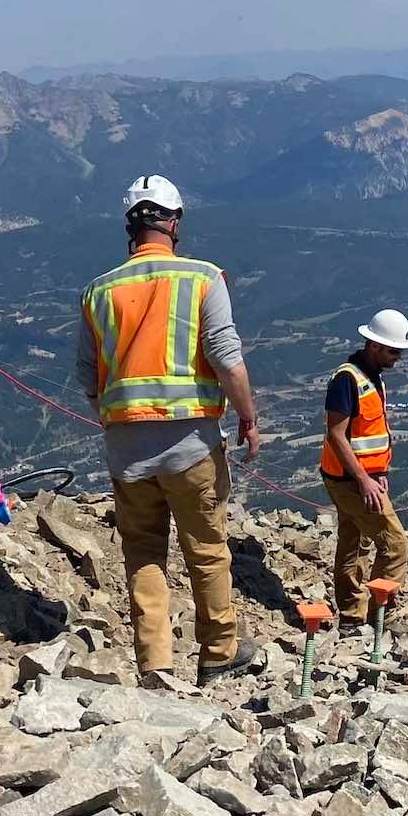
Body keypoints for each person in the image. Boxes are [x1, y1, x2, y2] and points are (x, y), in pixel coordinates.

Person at [77, 174, 262, 687]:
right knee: (206, 547)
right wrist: (247, 415)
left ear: (130, 228)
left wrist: (113, 416)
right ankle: (219, 651)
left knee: (143, 552)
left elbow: (86, 375)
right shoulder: (203, 279)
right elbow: (226, 358)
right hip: (191, 444)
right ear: (174, 223)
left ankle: (155, 662)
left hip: (125, 446)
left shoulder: (99, 292)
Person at [321, 308, 408, 630]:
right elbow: (335, 434)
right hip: (350, 480)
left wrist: (379, 472)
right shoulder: (347, 380)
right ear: (373, 345)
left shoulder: (370, 378)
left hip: (358, 478)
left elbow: (367, 435)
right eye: (393, 351)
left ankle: (351, 616)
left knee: (354, 541)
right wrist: (364, 480)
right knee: (395, 543)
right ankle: (380, 613)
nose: (397, 357)